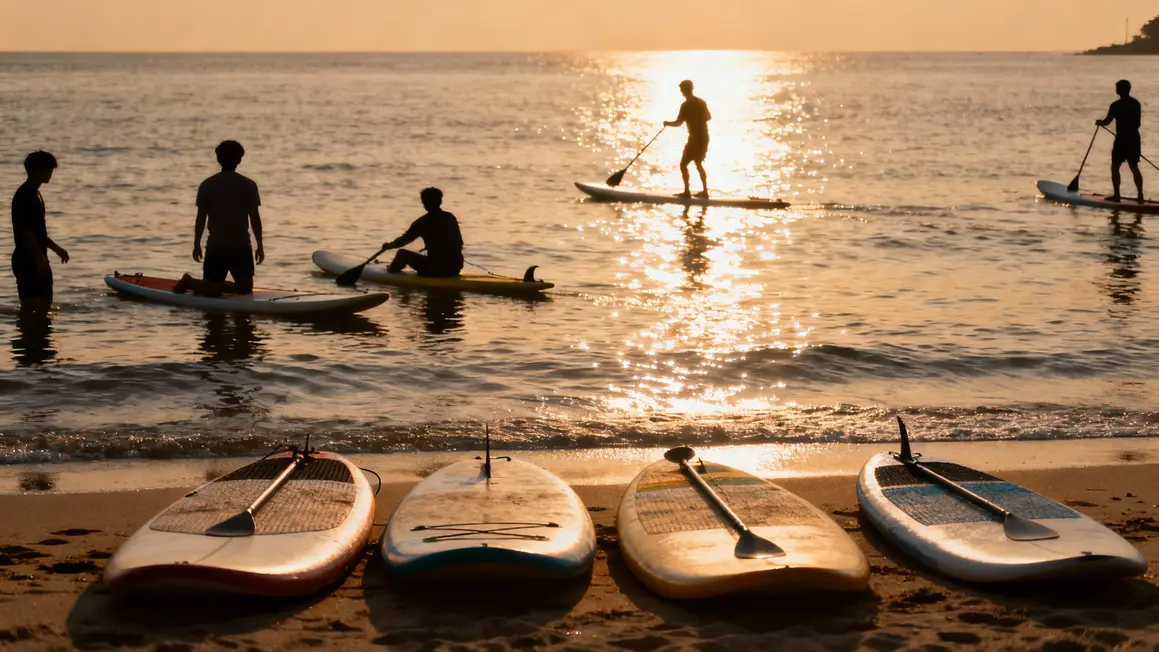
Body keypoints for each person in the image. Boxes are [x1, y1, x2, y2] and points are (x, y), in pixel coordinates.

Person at [173, 140, 264, 296]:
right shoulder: (248, 185)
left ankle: (198, 284)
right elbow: (255, 219)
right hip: (222, 247)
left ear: (218, 159)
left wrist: (196, 244)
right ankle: (191, 282)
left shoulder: (207, 185)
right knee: (240, 290)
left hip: (237, 246)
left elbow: (200, 219)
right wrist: (260, 245)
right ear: (239, 160)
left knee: (243, 289)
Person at [11, 151, 68, 309]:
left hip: (36, 257)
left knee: (44, 306)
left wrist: (57, 249)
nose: (51, 173)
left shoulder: (36, 193)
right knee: (32, 307)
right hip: (28, 260)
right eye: (49, 169)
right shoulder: (26, 194)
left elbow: (38, 232)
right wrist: (40, 260)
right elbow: (26, 232)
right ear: (40, 170)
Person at [380, 187, 464, 277]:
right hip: (455, 267)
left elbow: (404, 240)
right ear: (440, 201)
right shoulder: (450, 217)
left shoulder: (422, 222)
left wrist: (389, 246)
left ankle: (390, 272)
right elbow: (459, 242)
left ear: (424, 203)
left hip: (434, 269)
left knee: (402, 254)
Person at [1097, 79, 1144, 202]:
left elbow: (1107, 121)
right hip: (1134, 138)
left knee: (1115, 167)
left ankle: (1117, 195)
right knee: (1134, 167)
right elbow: (1138, 123)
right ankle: (1140, 196)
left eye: (1117, 88)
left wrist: (1099, 122)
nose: (1116, 90)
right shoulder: (1136, 104)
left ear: (1121, 90)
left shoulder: (1116, 105)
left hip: (1122, 139)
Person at [664, 80, 712, 198]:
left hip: (695, 138)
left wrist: (667, 123)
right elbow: (708, 117)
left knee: (683, 164)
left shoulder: (685, 106)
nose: (682, 92)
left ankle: (687, 192)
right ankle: (705, 191)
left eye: (682, 90)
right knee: (698, 163)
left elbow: (678, 123)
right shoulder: (701, 102)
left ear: (684, 90)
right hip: (704, 137)